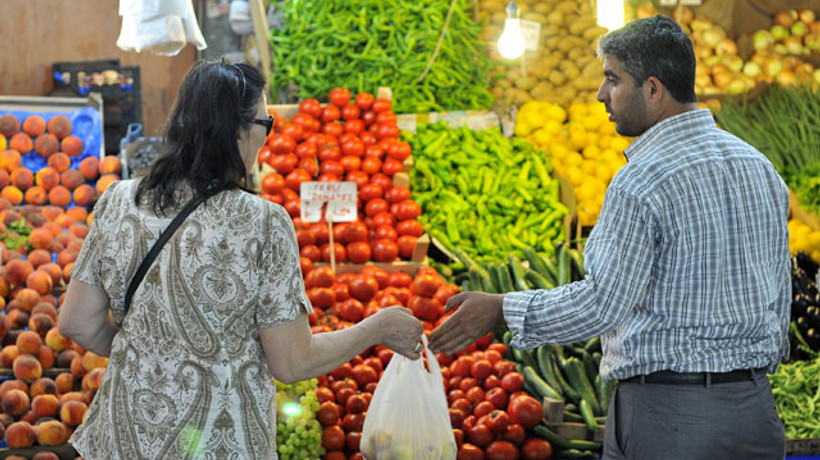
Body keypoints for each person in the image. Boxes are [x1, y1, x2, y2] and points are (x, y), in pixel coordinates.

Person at [430, 15, 789, 460]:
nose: (601, 94)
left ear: (653, 90)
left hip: (670, 416)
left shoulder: (641, 181)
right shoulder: (760, 167)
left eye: (612, 80)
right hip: (755, 411)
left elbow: (602, 304)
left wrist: (502, 308)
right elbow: (780, 296)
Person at [58, 61, 424, 460]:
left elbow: (75, 322)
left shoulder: (118, 201)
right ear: (236, 131)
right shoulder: (263, 223)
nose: (266, 137)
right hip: (219, 445)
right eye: (265, 123)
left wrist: (150, 354)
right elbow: (292, 362)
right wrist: (376, 328)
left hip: (122, 436)